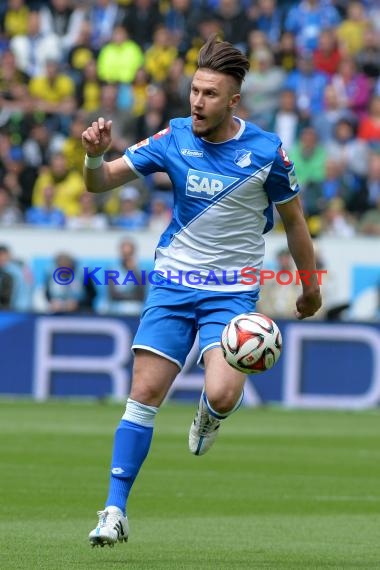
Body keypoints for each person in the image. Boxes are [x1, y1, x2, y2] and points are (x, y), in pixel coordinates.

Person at [81, 35, 322, 548]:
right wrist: (93, 158)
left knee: (221, 392)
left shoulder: (264, 152)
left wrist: (309, 286)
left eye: (210, 94)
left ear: (233, 100)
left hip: (231, 293)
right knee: (143, 393)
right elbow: (99, 184)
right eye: (194, 90)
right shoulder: (172, 138)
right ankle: (114, 511)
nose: (197, 101)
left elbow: (295, 222)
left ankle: (211, 417)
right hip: (172, 283)